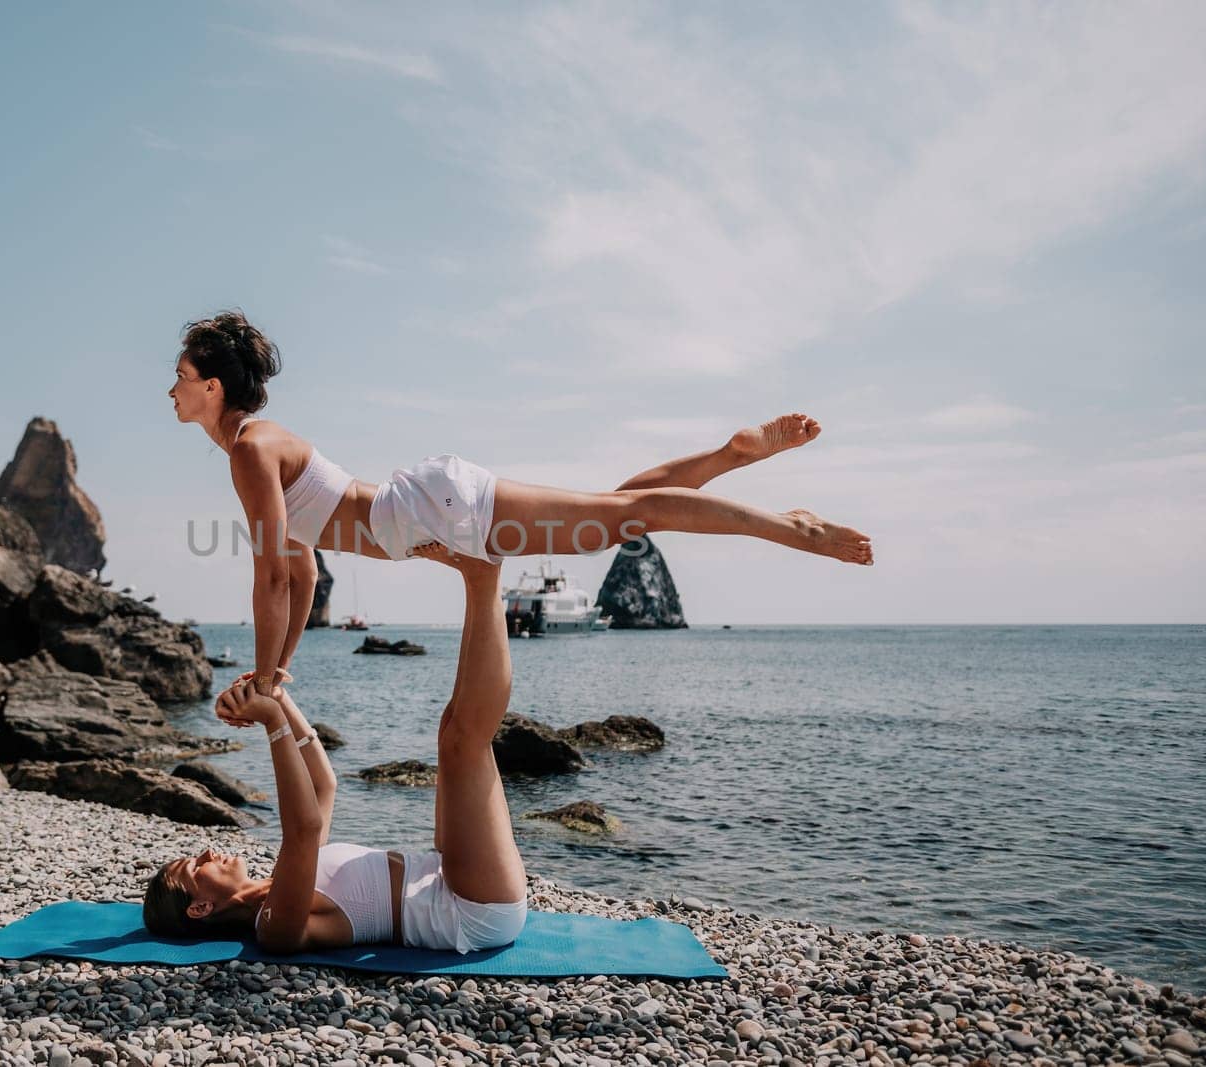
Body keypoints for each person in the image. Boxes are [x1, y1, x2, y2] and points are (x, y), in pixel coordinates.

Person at [168, 309, 873, 698]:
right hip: (426, 508)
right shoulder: (260, 445)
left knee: (624, 519)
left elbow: (273, 577)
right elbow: (299, 573)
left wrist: (263, 680)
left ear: (212, 387)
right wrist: (279, 672)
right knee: (616, 508)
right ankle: (729, 454)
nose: (171, 389)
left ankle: (793, 525)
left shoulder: (251, 451)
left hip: (430, 512)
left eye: (181, 376)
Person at [141, 544, 527, 954]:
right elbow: (303, 828)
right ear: (200, 908)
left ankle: (475, 580)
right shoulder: (273, 926)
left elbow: (324, 784)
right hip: (471, 910)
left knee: (451, 727)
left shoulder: (281, 877)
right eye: (196, 867)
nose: (206, 852)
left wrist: (282, 702)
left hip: (443, 872)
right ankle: (486, 577)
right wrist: (271, 721)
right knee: (463, 743)